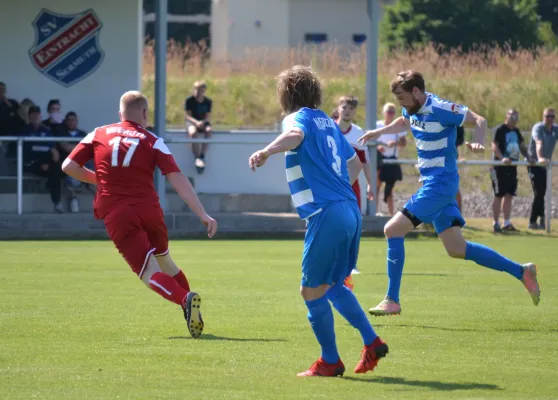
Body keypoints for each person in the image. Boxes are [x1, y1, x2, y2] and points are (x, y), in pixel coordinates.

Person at [358, 70, 541, 317]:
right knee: (457, 248)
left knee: (392, 229)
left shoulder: (441, 108)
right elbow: (405, 121)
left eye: (402, 98)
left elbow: (479, 119)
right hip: (433, 185)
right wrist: (379, 132)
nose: (401, 104)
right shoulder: (411, 110)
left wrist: (477, 141)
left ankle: (392, 299)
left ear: (415, 91)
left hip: (440, 185)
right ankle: (522, 271)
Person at [248, 66, 388, 377]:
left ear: (287, 94)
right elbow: (353, 164)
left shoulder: (296, 117)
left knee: (310, 291)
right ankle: (372, 341)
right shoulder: (331, 123)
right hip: (349, 210)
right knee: (334, 286)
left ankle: (330, 361)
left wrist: (267, 151)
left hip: (326, 213)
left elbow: (295, 134)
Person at [62, 91, 217, 338]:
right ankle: (189, 312)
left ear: (120, 113)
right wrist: (202, 214)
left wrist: (100, 181)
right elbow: (177, 178)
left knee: (149, 273)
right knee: (166, 262)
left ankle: (185, 298)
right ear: (144, 114)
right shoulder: (152, 139)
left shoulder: (99, 133)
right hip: (150, 210)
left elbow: (68, 166)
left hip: (118, 212)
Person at [333, 96, 373, 287]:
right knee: (332, 224)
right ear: (338, 109)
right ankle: (331, 260)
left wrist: (370, 184)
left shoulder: (357, 133)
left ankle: (352, 264)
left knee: (354, 225)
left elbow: (364, 161)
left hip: (352, 186)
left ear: (355, 112)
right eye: (344, 107)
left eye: (351, 108)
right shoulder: (329, 129)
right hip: (331, 184)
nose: (347, 111)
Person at [490, 109, 532, 233]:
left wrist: (529, 157)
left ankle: (506, 222)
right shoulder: (500, 129)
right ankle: (495, 223)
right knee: (498, 195)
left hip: (512, 168)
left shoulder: (516, 131)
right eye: (512, 116)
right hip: (498, 167)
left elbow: (522, 146)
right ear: (506, 116)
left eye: (516, 117)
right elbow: (494, 146)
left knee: (509, 195)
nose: (514, 119)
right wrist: (502, 158)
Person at [527, 107, 558, 230]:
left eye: (552, 116)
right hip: (534, 163)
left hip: (544, 165)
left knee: (542, 192)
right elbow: (539, 142)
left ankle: (541, 220)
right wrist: (540, 158)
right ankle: (533, 221)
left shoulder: (555, 129)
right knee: (539, 192)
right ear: (543, 117)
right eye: (547, 116)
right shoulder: (538, 128)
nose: (549, 119)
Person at [376, 102, 407, 216]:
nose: (390, 114)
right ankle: (374, 212)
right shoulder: (378, 125)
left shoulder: (398, 127)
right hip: (379, 158)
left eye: (392, 112)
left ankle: (390, 214)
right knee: (376, 186)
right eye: (388, 111)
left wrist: (394, 143)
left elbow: (403, 142)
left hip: (392, 159)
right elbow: (371, 140)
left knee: (389, 189)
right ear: (383, 113)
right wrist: (378, 147)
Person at [185, 81, 212, 174]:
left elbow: (207, 116)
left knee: (208, 130)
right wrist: (196, 122)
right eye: (197, 90)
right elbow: (188, 116)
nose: (199, 92)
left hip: (203, 122)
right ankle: (197, 157)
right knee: (193, 133)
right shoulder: (189, 100)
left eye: (201, 90)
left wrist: (202, 122)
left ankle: (202, 155)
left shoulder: (208, 101)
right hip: (192, 122)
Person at [455, 125, 465, 211]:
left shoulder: (457, 118)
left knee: (455, 189)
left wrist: (461, 156)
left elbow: (460, 142)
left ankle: (458, 216)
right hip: (434, 161)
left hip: (450, 161)